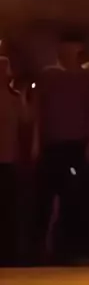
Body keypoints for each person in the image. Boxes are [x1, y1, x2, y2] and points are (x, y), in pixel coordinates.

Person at [32, 32, 89, 263]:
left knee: (74, 198)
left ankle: (68, 251)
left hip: (76, 144)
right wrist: (36, 141)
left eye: (74, 50)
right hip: (52, 144)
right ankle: (40, 251)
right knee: (45, 198)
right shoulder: (48, 75)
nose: (70, 54)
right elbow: (39, 110)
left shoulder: (86, 77)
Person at [0, 56, 26, 265]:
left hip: (9, 159)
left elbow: (26, 120)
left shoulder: (14, 97)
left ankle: (9, 255)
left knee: (9, 209)